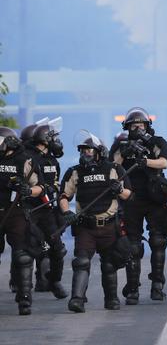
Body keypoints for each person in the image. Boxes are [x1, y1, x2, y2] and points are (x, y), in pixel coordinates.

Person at [59, 130, 132, 312]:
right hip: (86, 226)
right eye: (83, 151)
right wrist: (66, 211)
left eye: (90, 150)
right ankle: (77, 299)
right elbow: (64, 195)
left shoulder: (115, 169)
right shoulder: (74, 172)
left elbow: (130, 195)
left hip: (109, 226)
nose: (86, 154)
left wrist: (118, 191)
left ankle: (112, 299)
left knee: (109, 264)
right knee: (81, 262)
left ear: (100, 152)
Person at [109, 107, 167, 304]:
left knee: (158, 241)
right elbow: (111, 166)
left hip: (154, 198)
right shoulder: (121, 144)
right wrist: (124, 152)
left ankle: (157, 286)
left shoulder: (157, 142)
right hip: (131, 198)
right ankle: (133, 289)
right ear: (127, 127)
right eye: (134, 125)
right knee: (133, 246)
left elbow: (164, 162)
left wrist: (146, 161)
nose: (137, 128)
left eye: (141, 125)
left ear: (147, 126)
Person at [22, 117, 68, 298]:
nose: (56, 141)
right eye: (53, 137)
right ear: (44, 139)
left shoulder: (52, 161)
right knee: (30, 249)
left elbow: (55, 182)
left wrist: (54, 189)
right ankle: (22, 289)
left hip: (47, 209)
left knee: (58, 248)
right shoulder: (29, 158)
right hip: (30, 209)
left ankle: (54, 280)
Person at [0, 127, 42, 315]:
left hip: (16, 211)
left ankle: (25, 298)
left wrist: (27, 191)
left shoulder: (24, 160)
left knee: (22, 255)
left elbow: (40, 186)